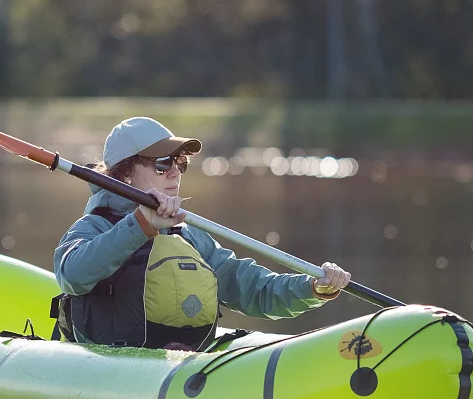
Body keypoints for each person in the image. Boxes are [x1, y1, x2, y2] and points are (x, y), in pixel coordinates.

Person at [53, 117, 351, 350]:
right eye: (162, 163)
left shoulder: (188, 234)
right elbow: (72, 275)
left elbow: (250, 287)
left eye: (180, 163)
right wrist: (141, 225)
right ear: (126, 172)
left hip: (181, 366)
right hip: (113, 368)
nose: (175, 173)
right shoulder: (95, 226)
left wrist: (312, 288)